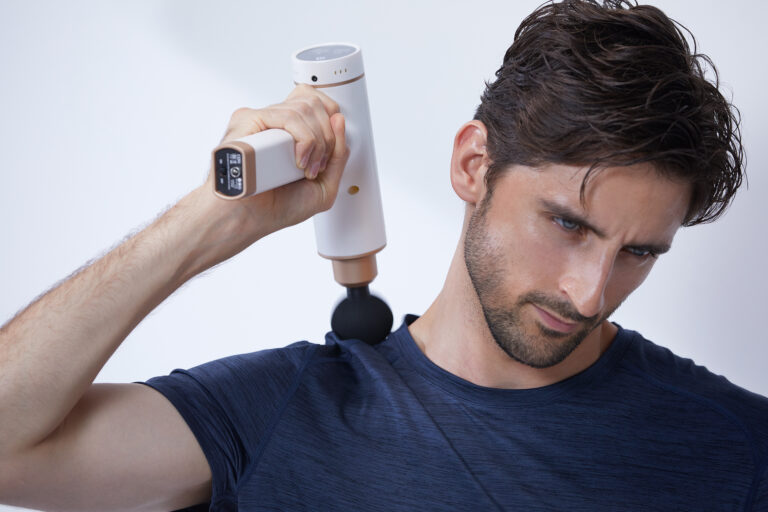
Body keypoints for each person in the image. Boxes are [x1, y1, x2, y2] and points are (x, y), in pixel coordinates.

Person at [0, 0, 765, 510]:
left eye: (638, 253)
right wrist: (216, 217)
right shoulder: (283, 415)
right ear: (473, 165)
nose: (590, 293)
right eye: (568, 225)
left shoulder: (736, 450)